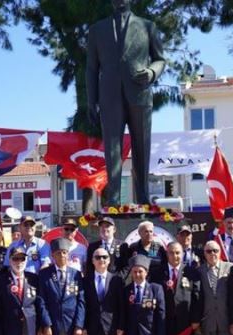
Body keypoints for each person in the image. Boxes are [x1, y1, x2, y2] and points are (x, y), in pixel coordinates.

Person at [86, 0, 166, 209]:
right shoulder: (97, 30)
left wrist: (151, 72)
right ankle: (113, 200)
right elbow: (92, 69)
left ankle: (143, 197)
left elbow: (160, 59)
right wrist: (91, 101)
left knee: (142, 146)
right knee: (112, 149)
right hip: (109, 96)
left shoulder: (148, 26)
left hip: (139, 93)